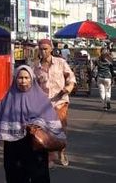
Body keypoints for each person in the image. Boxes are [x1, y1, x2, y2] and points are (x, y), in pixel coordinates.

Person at [0, 65, 66, 183]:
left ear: (32, 79)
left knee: (39, 177)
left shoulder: (41, 98)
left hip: (35, 145)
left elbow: (51, 120)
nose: (23, 81)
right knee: (15, 177)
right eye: (20, 78)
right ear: (15, 79)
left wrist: (38, 125)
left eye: (26, 78)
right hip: (13, 148)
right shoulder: (9, 97)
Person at [33, 38, 76, 167]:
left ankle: (61, 152)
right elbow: (33, 85)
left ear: (51, 49)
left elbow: (71, 78)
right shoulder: (36, 67)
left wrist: (68, 88)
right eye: (41, 49)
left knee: (60, 129)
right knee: (46, 131)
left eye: (46, 49)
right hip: (44, 105)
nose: (43, 52)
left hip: (60, 102)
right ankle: (49, 157)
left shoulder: (60, 63)